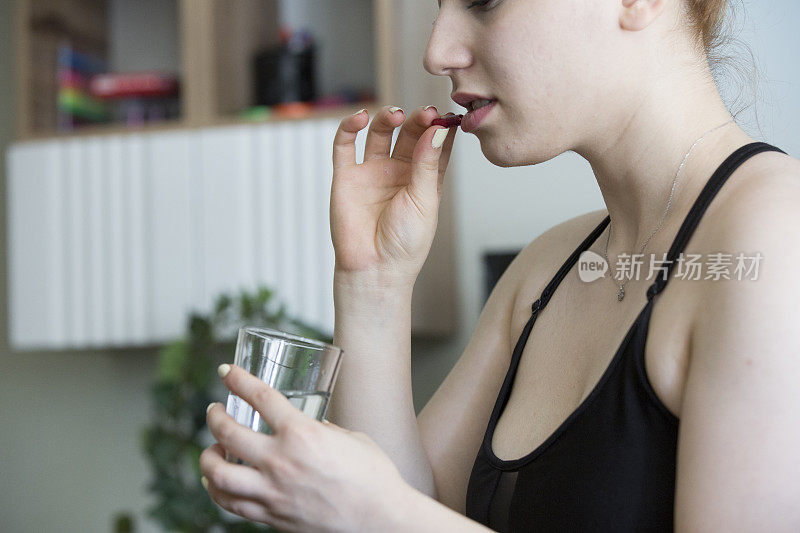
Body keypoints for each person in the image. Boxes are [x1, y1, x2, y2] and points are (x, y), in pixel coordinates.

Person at [200, 0, 800, 530]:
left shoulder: (776, 236)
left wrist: (380, 513)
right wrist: (373, 282)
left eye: (483, 0)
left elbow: (392, 513)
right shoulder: (546, 269)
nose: (436, 51)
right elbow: (415, 501)